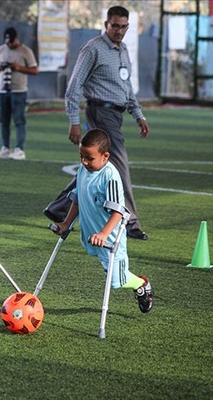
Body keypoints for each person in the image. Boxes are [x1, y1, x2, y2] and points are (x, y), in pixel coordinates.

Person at [43, 5, 150, 240]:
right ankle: (129, 222)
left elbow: (127, 86)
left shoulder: (123, 51)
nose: (119, 31)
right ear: (106, 25)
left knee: (94, 166)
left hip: (116, 115)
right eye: (115, 26)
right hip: (100, 112)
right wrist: (74, 122)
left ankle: (59, 208)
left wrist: (138, 114)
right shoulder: (93, 49)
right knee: (120, 167)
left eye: (124, 27)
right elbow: (74, 87)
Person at [51, 128, 153, 313]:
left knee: (116, 281)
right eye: (81, 156)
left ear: (105, 156)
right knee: (111, 274)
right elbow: (77, 198)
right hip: (92, 234)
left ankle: (141, 284)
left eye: (89, 158)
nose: (84, 161)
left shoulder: (110, 177)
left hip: (110, 238)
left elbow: (118, 212)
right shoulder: (83, 170)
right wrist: (66, 223)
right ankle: (116, 271)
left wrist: (104, 234)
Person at [0, 27, 38, 160]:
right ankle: (5, 148)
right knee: (3, 121)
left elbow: (35, 70)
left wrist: (18, 68)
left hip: (19, 91)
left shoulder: (26, 51)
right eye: (7, 42)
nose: (9, 44)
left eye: (11, 41)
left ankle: (19, 149)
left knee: (19, 120)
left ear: (16, 38)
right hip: (2, 90)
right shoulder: (1, 49)